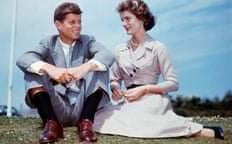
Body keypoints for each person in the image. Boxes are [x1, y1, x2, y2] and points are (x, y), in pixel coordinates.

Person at [94, 0, 224, 140]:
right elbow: (115, 79)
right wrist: (116, 89)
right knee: (97, 118)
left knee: (141, 123)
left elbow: (173, 83)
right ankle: (173, 125)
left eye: (127, 19)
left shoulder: (158, 47)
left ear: (142, 19)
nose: (124, 24)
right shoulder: (120, 49)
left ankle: (201, 131)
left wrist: (145, 89)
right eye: (122, 20)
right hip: (129, 102)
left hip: (152, 100)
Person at [16, 2, 114, 143]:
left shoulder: (87, 41)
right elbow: (23, 59)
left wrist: (85, 67)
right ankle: (51, 125)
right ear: (58, 24)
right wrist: (50, 69)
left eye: (79, 21)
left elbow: (107, 55)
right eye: (72, 22)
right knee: (33, 70)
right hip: (57, 107)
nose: (78, 26)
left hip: (82, 107)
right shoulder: (48, 42)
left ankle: (86, 124)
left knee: (98, 66)